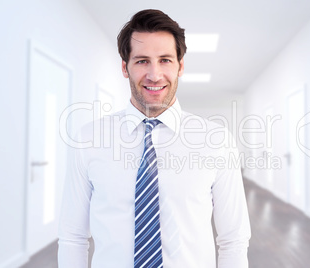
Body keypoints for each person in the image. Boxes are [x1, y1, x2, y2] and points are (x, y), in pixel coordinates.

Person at [58, 9, 250, 268]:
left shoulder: (217, 141)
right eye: (141, 61)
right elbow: (73, 237)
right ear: (125, 68)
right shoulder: (89, 139)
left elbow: (233, 240)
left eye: (165, 60)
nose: (154, 74)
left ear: (180, 66)